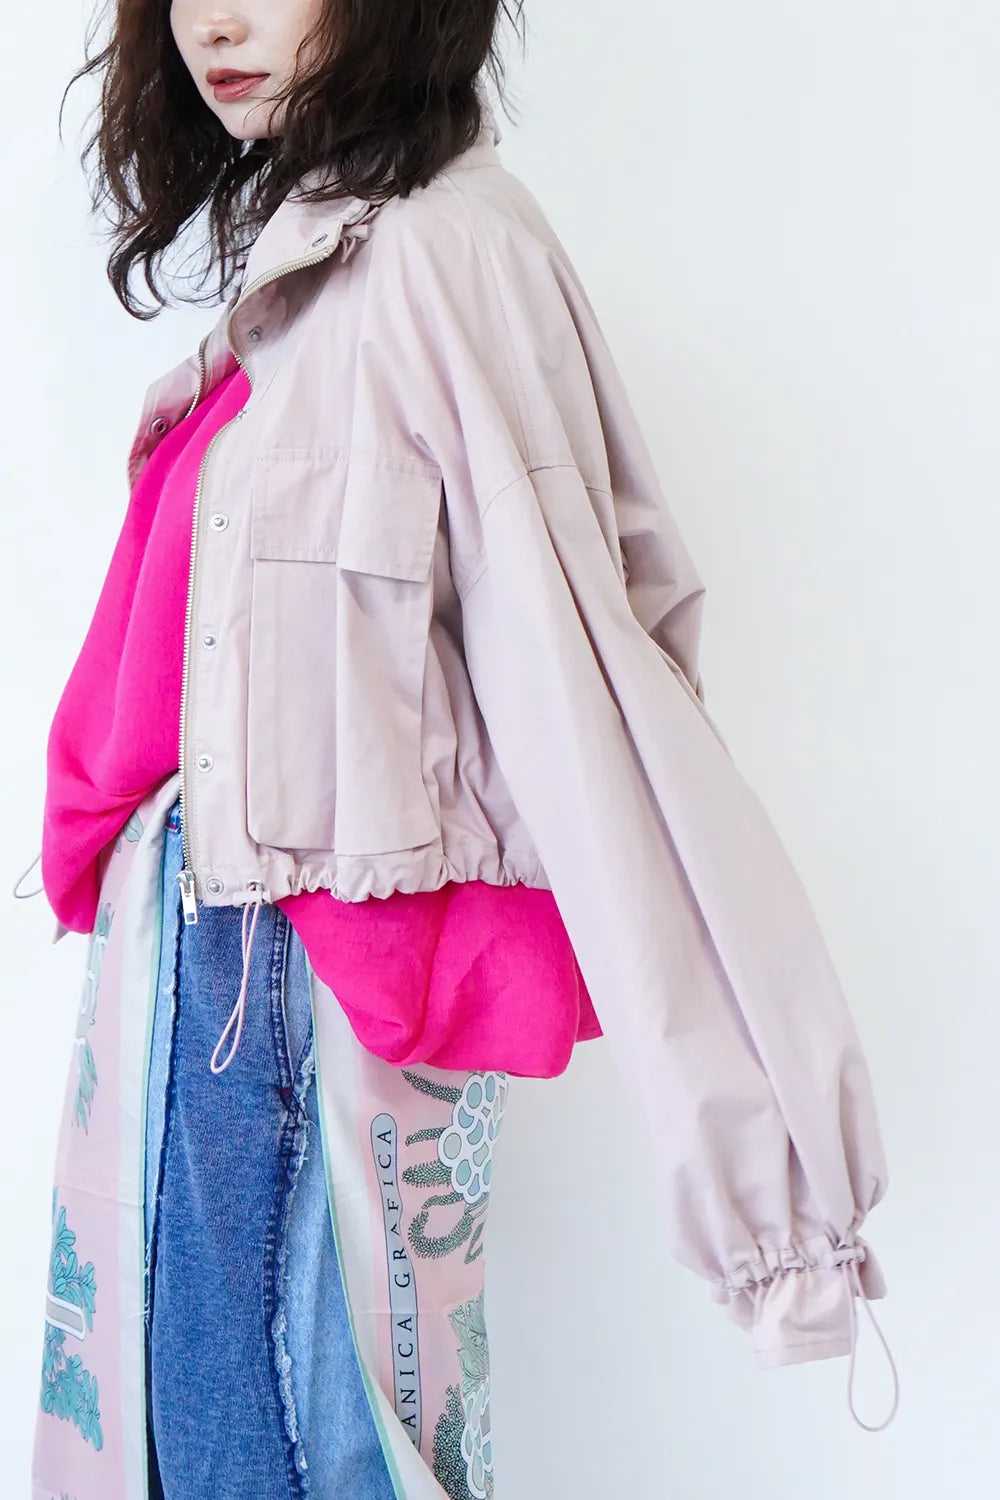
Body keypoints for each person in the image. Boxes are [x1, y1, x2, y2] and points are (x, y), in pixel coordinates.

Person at [23, 1, 899, 1496]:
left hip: (296, 1002)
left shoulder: (442, 258)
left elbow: (597, 715)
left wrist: (774, 1212)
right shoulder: (310, 270)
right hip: (195, 977)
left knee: (299, 1461)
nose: (215, 18)